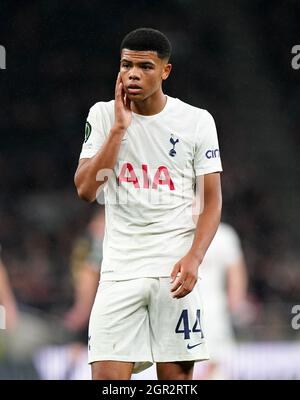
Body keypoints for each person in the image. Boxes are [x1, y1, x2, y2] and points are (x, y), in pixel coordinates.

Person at [74, 27, 223, 380]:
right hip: (118, 274)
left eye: (145, 66)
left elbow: (212, 200)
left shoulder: (197, 121)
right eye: (126, 65)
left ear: (165, 71)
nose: (133, 74)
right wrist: (118, 130)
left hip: (173, 275)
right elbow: (85, 189)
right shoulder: (102, 115)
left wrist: (195, 257)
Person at [194, 222, 249, 379]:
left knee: (217, 362)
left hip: (213, 312)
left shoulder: (223, 235)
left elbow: (236, 272)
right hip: (182, 309)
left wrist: (234, 305)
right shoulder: (176, 230)